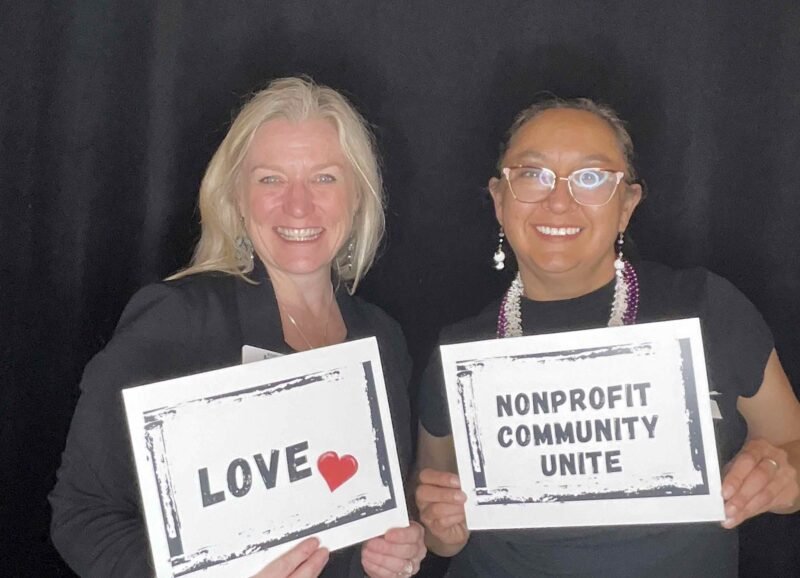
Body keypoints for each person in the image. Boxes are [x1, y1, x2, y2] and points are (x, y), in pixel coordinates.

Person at [50, 77, 425, 578]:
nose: (298, 205)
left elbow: (368, 520)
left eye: (325, 178)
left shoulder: (383, 339)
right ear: (237, 197)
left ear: (358, 197)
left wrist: (394, 551)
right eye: (271, 179)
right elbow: (83, 517)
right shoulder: (178, 321)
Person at [414, 98, 800, 577]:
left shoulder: (706, 307)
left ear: (627, 205)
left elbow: (792, 444)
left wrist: (781, 478)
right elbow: (430, 522)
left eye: (591, 177)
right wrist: (441, 528)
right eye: (533, 175)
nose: (559, 201)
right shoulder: (459, 351)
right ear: (499, 200)